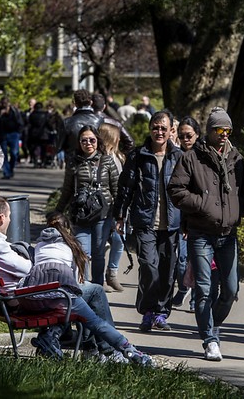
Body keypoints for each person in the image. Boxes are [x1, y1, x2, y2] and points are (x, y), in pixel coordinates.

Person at [168, 107, 244, 362]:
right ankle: (209, 339)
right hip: (201, 233)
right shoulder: (191, 158)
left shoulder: (236, 158)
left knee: (230, 289)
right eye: (219, 129)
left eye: (228, 130)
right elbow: (176, 189)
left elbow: (243, 191)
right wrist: (202, 204)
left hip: (228, 233)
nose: (224, 134)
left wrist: (239, 212)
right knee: (204, 288)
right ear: (210, 130)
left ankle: (212, 324)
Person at [20, 212, 153, 365]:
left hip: (36, 298)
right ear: (68, 230)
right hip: (62, 297)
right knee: (95, 301)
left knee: (87, 298)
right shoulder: (72, 247)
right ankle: (119, 350)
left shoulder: (39, 246)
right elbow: (76, 284)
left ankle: (61, 339)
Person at [113, 110, 182, 332]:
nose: (159, 132)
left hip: (172, 224)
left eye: (164, 128)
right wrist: (120, 214)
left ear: (172, 130)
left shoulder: (179, 157)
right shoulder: (138, 155)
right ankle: (148, 311)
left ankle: (161, 313)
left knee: (167, 271)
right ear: (150, 129)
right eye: (155, 127)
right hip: (145, 222)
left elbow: (188, 192)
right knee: (149, 267)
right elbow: (125, 188)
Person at [56, 125, 118, 286]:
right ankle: (84, 286)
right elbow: (67, 190)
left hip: (103, 213)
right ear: (79, 142)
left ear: (98, 140)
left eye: (92, 140)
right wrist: (58, 212)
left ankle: (97, 286)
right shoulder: (73, 162)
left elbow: (116, 188)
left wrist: (120, 214)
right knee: (82, 252)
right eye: (84, 140)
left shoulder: (107, 160)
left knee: (98, 252)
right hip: (80, 213)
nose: (88, 143)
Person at [171, 116, 202, 310]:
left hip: (197, 216)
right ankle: (184, 288)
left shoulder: (203, 157)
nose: (185, 140)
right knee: (181, 259)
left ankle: (195, 298)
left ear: (197, 135)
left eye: (189, 135)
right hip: (177, 215)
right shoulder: (174, 156)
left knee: (197, 258)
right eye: (181, 136)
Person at [98, 122, 126, 292]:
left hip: (117, 206)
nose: (119, 139)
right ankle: (99, 277)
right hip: (103, 207)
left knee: (119, 241)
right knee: (100, 244)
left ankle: (112, 273)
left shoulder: (119, 156)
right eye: (116, 137)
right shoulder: (99, 158)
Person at [0, 96, 23, 180]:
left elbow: (20, 122)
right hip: (2, 134)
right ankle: (7, 172)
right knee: (3, 154)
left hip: (14, 134)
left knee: (14, 153)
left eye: (6, 103)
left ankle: (11, 168)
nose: (4, 105)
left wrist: (19, 132)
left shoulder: (14, 111)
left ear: (8, 103)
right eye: (3, 103)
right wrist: (0, 115)